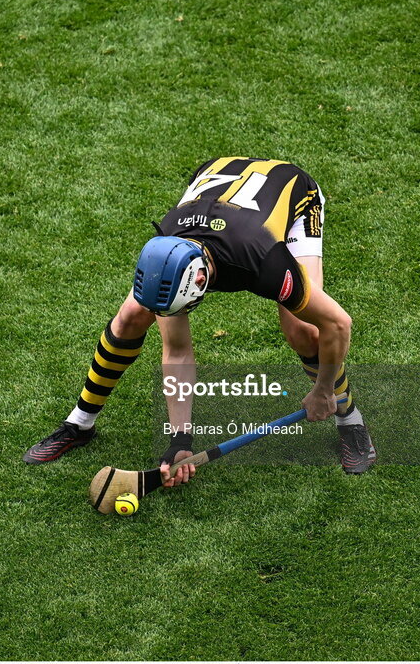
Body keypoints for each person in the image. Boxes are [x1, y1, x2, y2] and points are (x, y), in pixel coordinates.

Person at [23, 157, 376, 484]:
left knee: (304, 329)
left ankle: (350, 419)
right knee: (131, 315)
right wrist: (181, 438)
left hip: (292, 193)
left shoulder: (263, 261)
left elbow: (338, 323)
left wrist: (323, 391)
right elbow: (176, 351)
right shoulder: (166, 245)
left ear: (202, 283)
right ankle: (80, 423)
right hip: (215, 187)